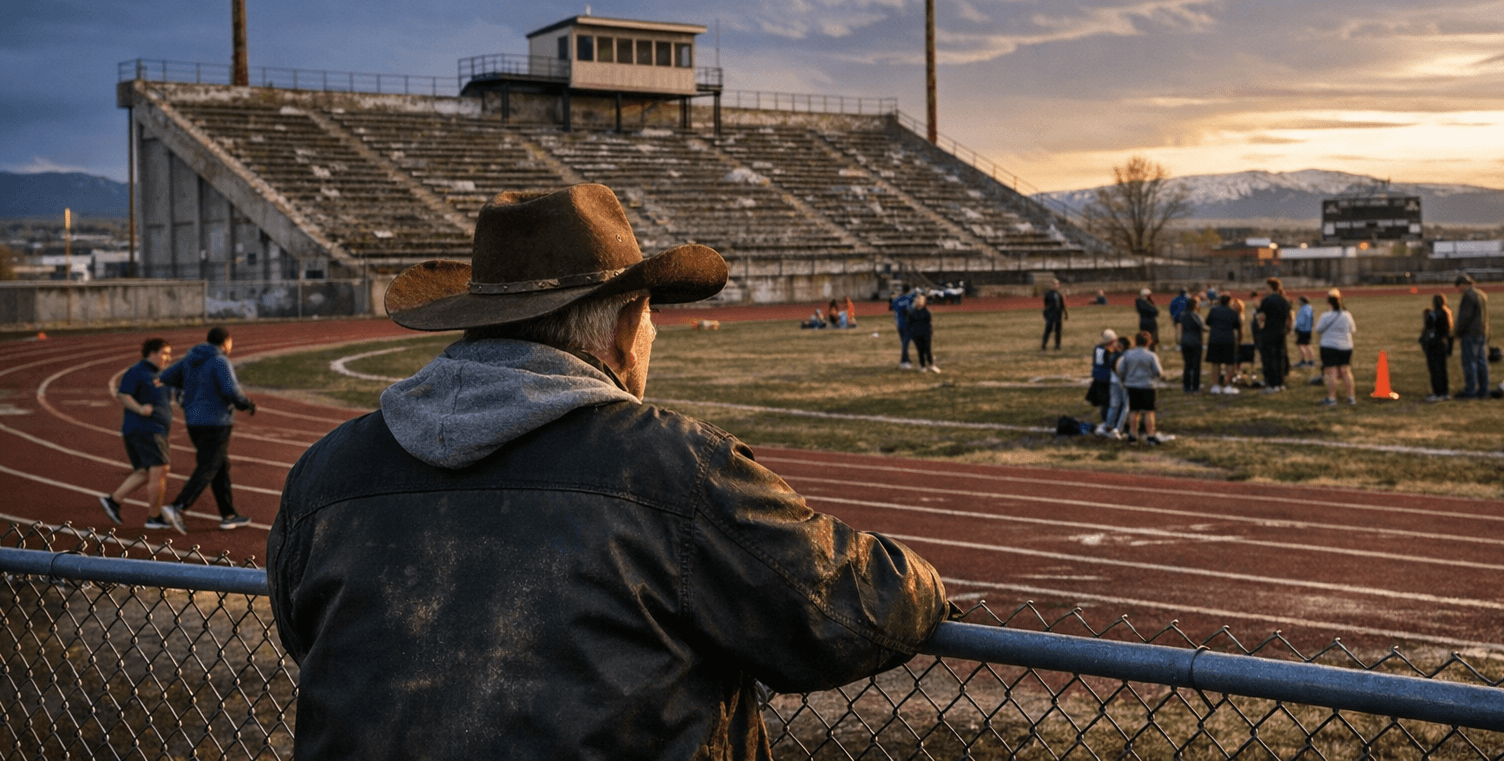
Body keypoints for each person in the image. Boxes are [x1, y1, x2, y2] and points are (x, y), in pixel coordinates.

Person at [267, 185, 951, 759]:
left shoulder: (322, 473)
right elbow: (854, 609)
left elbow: (306, 636)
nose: (652, 334)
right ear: (626, 328)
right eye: (650, 317)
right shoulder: (676, 469)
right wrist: (923, 579)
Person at [161, 326, 255, 531]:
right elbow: (230, 389)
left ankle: (228, 515)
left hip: (193, 421)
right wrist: (245, 403)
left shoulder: (190, 359)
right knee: (209, 465)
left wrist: (185, 390)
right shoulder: (220, 361)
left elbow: (167, 376)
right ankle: (178, 506)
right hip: (216, 421)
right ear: (225, 342)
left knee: (220, 465)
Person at [100, 337, 182, 532]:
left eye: (169, 354)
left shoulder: (161, 374)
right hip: (145, 429)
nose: (168, 357)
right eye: (164, 353)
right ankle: (154, 517)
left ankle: (113, 501)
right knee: (160, 468)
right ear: (151, 353)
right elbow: (123, 394)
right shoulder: (137, 371)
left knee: (144, 472)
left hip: (152, 430)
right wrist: (140, 408)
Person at [1116, 331, 1168, 444]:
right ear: (1149, 342)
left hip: (1132, 386)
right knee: (1149, 412)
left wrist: (1126, 379)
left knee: (1134, 411)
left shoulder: (1128, 354)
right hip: (1148, 386)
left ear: (1136, 341)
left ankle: (1132, 435)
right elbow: (1159, 372)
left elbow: (1121, 369)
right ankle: (1150, 435)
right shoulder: (1151, 356)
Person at [1314, 288, 1357, 406]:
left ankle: (1331, 398)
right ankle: (1351, 397)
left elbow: (1318, 329)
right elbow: (1353, 329)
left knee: (1331, 372)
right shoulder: (1347, 315)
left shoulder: (1325, 316)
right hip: (1346, 346)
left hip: (1329, 346)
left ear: (1329, 304)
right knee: (1345, 371)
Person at [1453, 273, 1491, 399]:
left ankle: (1470, 390)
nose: (1458, 289)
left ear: (1463, 284)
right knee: (1482, 362)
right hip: (1481, 333)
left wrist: (1457, 332)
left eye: (1458, 286)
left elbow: (1465, 317)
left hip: (1470, 333)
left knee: (1469, 362)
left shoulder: (1469, 296)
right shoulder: (1481, 294)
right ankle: (1484, 389)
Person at [1256, 277, 1292, 392]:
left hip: (1269, 332)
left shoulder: (1267, 300)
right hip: (1281, 332)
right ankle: (1280, 383)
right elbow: (1288, 317)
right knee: (1280, 357)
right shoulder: (1284, 300)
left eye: (1266, 287)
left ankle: (1272, 384)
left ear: (1270, 287)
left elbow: (1262, 317)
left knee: (1269, 358)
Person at [1420, 293, 1454, 402]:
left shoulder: (1433, 314)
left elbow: (1428, 327)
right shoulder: (1447, 313)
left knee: (1435, 370)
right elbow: (1449, 333)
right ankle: (1445, 392)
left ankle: (1438, 393)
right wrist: (1450, 348)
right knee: (1443, 370)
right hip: (1443, 344)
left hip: (1434, 344)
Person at [1205, 292, 1241, 395]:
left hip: (1215, 339)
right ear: (1229, 302)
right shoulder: (1233, 312)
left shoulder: (1213, 310)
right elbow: (1237, 325)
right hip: (1228, 340)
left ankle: (1215, 385)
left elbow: (1208, 322)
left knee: (1216, 363)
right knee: (1229, 363)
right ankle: (1228, 384)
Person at [1086, 328, 1116, 431]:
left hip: (1100, 379)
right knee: (1106, 403)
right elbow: (1105, 365)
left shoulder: (1098, 348)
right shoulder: (1104, 350)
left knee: (1105, 403)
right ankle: (1107, 423)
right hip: (1105, 380)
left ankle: (1106, 422)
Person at [1176, 297, 1206, 394]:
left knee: (1187, 365)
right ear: (1195, 305)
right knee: (1196, 366)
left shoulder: (1183, 315)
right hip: (1196, 342)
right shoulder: (1196, 315)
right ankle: (1195, 387)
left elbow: (1179, 327)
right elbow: (1202, 326)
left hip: (1185, 342)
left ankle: (1186, 386)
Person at [908, 293, 938, 373]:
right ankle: (922, 365)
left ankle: (931, 364)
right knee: (920, 351)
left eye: (922, 300)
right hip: (916, 335)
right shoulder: (912, 312)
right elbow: (910, 324)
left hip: (926, 334)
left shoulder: (927, 312)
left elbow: (929, 324)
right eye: (918, 300)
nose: (920, 301)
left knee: (927, 350)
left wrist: (930, 333)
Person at [891, 284, 916, 367]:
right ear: (909, 290)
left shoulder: (897, 300)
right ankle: (904, 362)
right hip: (907, 324)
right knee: (906, 344)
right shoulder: (910, 298)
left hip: (899, 324)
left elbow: (894, 309)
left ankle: (907, 359)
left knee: (904, 343)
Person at [1041, 279, 1067, 350]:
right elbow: (1046, 303)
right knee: (1048, 328)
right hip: (1051, 314)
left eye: (1058, 284)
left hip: (1058, 314)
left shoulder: (1059, 294)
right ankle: (1044, 344)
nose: (1058, 285)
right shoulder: (1049, 293)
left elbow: (1061, 305)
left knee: (1058, 329)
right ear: (1053, 285)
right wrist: (1047, 313)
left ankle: (1057, 345)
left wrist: (1065, 313)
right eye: (1056, 284)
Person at [1294, 295, 1316, 368]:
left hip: (1302, 329)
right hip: (1308, 329)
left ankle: (1304, 360)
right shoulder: (1309, 308)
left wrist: (1296, 326)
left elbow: (1301, 319)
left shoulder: (1304, 309)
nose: (1298, 302)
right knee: (1306, 344)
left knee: (1301, 345)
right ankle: (1310, 360)